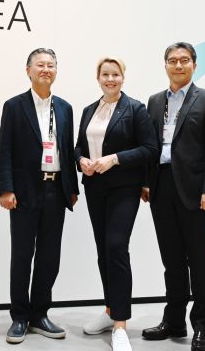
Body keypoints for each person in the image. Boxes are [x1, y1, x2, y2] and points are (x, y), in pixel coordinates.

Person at [141, 42, 205, 351]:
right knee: (172, 259)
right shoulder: (154, 101)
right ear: (165, 65)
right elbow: (151, 145)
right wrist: (146, 182)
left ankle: (202, 327)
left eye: (184, 60)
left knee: (199, 261)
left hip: (195, 190)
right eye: (173, 60)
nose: (178, 65)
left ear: (194, 64)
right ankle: (174, 320)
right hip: (161, 187)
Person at [0, 48, 79, 344]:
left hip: (56, 190)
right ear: (28, 70)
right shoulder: (14, 106)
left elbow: (67, 150)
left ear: (56, 70)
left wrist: (72, 188)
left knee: (49, 256)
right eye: (40, 65)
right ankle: (19, 316)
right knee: (22, 255)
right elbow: (4, 149)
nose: (46, 69)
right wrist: (6, 188)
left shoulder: (65, 108)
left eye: (51, 65)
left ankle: (40, 314)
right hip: (24, 192)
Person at [75, 57, 157, 351]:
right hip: (95, 187)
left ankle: (120, 323)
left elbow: (150, 149)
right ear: (98, 78)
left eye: (115, 74)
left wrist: (116, 159)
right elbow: (78, 146)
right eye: (105, 74)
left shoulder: (135, 109)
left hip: (124, 188)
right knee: (103, 251)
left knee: (116, 248)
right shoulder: (89, 110)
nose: (110, 79)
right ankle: (110, 310)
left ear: (123, 77)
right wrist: (81, 160)